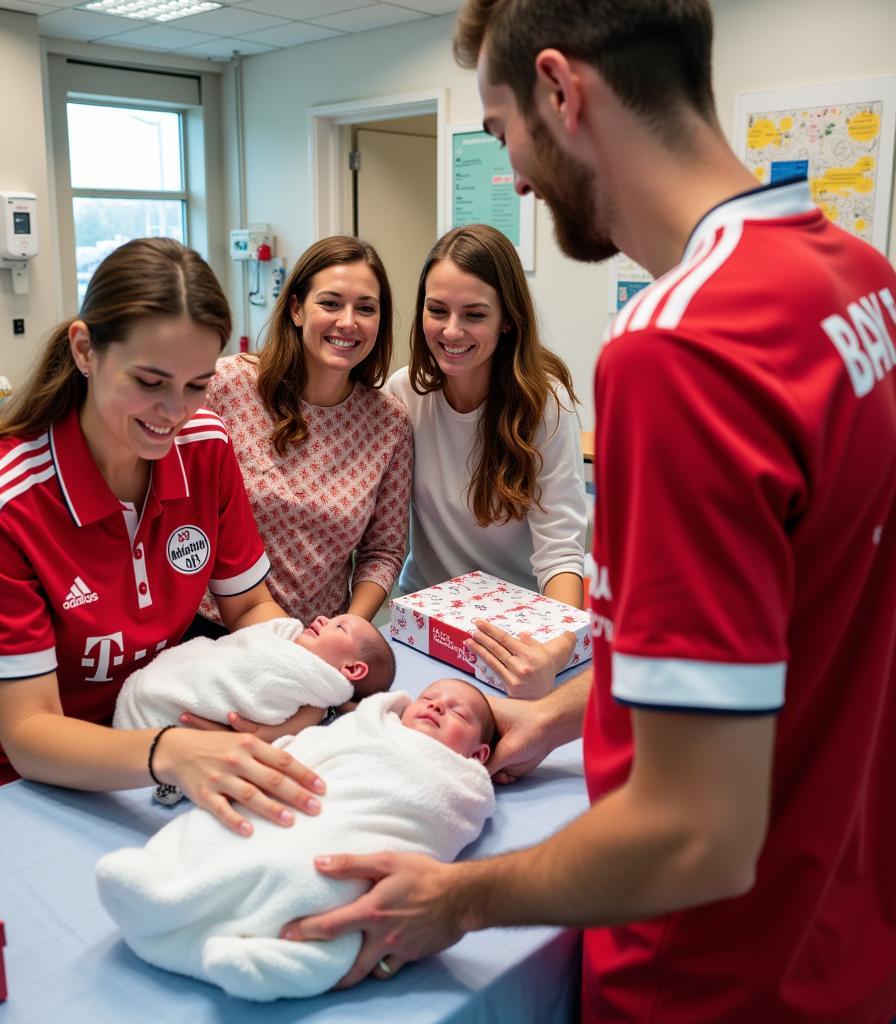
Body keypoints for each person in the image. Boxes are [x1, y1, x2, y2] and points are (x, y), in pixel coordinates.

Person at [280, 2, 896, 1020]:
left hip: (708, 966)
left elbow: (691, 830)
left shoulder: (679, 348)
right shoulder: (855, 282)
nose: (513, 173)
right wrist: (557, 716)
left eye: (501, 131)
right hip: (841, 925)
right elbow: (780, 637)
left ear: (561, 91)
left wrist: (459, 898)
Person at [0, 238, 327, 839]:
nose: (173, 412)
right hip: (11, 780)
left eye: (197, 385)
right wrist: (170, 752)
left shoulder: (205, 448)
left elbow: (247, 606)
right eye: (150, 380)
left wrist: (300, 691)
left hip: (155, 741)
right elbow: (32, 733)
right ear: (86, 349)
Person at [95, 681, 496, 1001]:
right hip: (305, 793)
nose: (438, 706)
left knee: (317, 872)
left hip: (360, 825)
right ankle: (161, 887)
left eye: (457, 711)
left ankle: (284, 959)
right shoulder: (364, 725)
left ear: (478, 755)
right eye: (429, 697)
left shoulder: (462, 784)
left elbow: (441, 824)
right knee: (230, 827)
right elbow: (307, 746)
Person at [385, 223, 588, 700]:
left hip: (514, 631)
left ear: (507, 320)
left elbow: (560, 550)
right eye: (437, 311)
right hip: (424, 619)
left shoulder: (546, 404)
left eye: (474, 314)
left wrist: (556, 648)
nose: (451, 331)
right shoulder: (403, 394)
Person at [190, 236, 412, 641]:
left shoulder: (389, 422)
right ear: (296, 309)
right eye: (330, 303)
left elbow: (383, 552)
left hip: (320, 640)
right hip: (211, 630)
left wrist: (350, 628)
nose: (349, 322)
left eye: (365, 308)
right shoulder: (226, 387)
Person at [113, 614, 397, 745]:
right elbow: (233, 653)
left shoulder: (302, 679)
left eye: (340, 626)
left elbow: (259, 703)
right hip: (160, 683)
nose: (323, 618)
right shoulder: (283, 637)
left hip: (156, 712)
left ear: (353, 670)